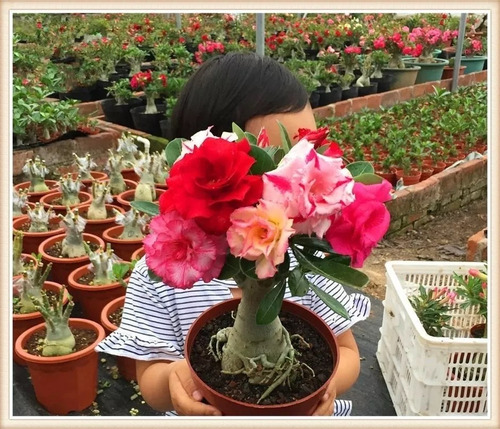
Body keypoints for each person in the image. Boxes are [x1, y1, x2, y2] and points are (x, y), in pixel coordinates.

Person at [96, 52, 370, 417]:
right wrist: (177, 379)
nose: (296, 182)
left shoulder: (308, 256)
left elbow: (348, 353)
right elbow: (151, 381)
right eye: (273, 167)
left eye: (304, 155)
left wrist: (328, 385)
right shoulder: (166, 268)